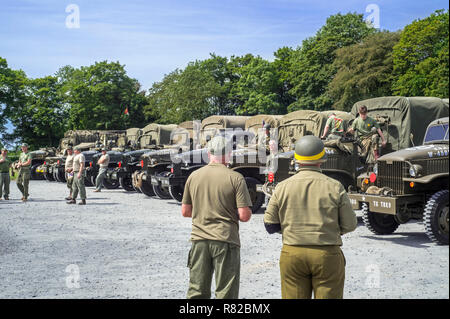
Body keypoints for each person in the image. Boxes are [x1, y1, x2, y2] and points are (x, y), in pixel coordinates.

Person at [264, 135, 357, 299]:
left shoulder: (282, 187)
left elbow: (270, 224)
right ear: (322, 159)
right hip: (327, 254)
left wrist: (291, 229)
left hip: (292, 254)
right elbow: (350, 225)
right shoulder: (335, 186)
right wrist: (331, 230)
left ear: (296, 159)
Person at [181, 136, 253, 299]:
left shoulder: (194, 176)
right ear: (229, 154)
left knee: (197, 291)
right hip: (225, 239)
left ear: (208, 153)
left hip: (199, 239)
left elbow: (185, 211)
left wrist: (205, 211)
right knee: (225, 292)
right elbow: (244, 215)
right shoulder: (236, 178)